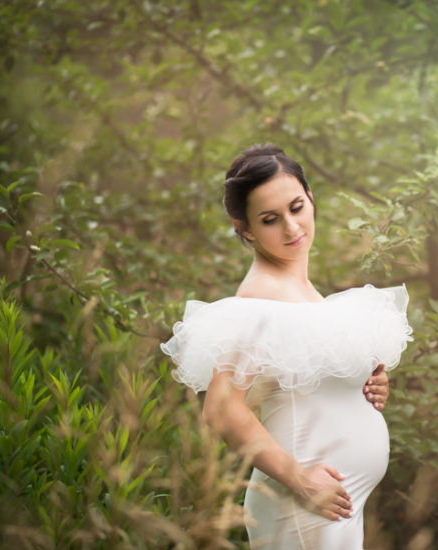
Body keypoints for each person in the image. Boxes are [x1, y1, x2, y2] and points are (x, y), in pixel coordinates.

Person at [160, 144, 413, 549]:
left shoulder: (300, 292)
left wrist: (364, 386)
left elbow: (306, 382)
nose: (292, 228)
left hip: (332, 505)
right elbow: (222, 409)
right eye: (270, 219)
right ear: (245, 229)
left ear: (311, 199)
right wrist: (300, 479)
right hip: (304, 503)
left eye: (296, 208)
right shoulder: (258, 300)